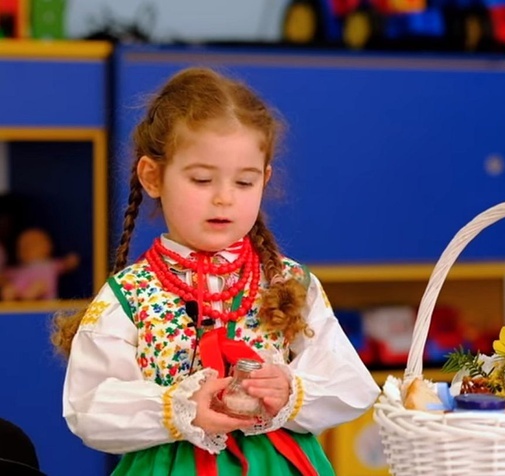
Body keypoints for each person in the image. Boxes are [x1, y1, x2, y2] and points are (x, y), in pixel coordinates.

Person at [52, 67, 381, 475]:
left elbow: (352, 384)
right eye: (202, 179)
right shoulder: (131, 293)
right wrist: (179, 408)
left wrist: (291, 392)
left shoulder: (287, 282)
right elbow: (88, 406)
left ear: (265, 180)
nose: (224, 198)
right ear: (152, 176)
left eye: (244, 183)